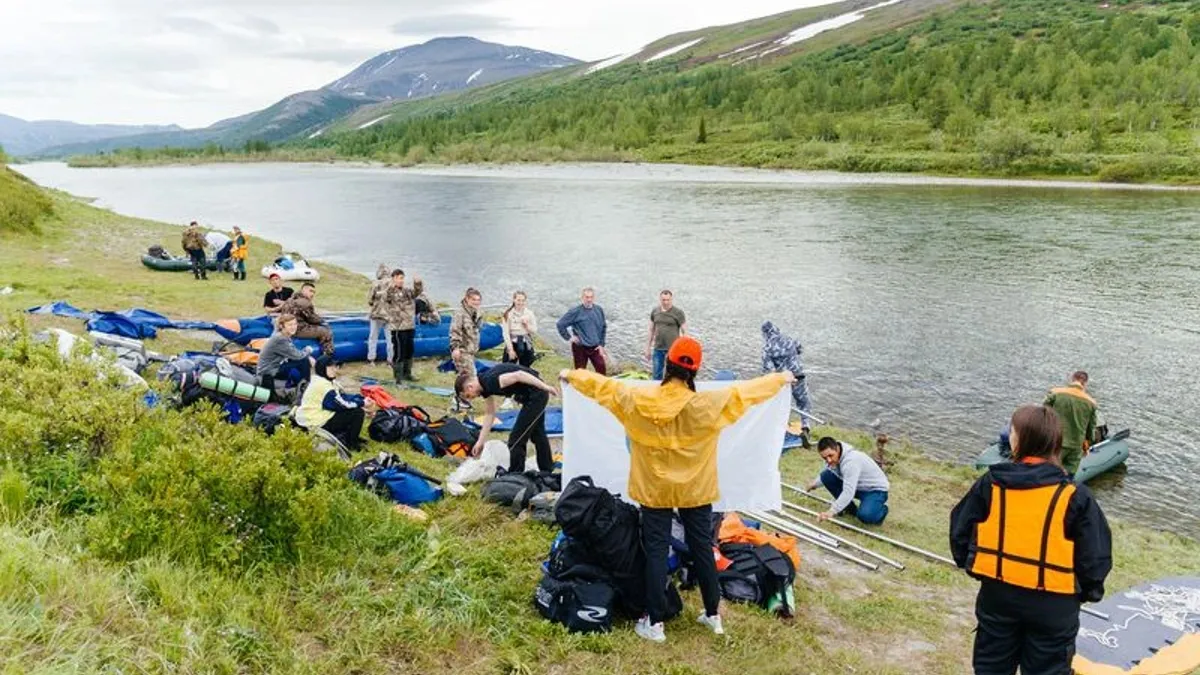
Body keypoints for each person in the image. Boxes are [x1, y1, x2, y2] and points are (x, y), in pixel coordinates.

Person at [562, 337, 792, 643]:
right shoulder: (707, 404)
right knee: (702, 549)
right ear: (695, 370)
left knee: (656, 551)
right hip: (696, 490)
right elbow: (745, 392)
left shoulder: (638, 399)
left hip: (655, 490)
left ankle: (655, 623)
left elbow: (605, 388)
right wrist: (780, 378)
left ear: (667, 363)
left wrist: (573, 375)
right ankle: (713, 615)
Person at [950, 405, 1112, 675]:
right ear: (1055, 444)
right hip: (1054, 606)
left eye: (1012, 431)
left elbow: (960, 533)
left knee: (991, 668)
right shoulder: (1075, 496)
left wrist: (973, 565)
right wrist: (1086, 593)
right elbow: (1095, 559)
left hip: (998, 596)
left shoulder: (990, 485)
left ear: (1019, 439)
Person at [456, 363, 558, 472]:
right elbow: (490, 414)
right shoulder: (484, 385)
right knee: (538, 434)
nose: (471, 399)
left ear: (469, 387)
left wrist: (545, 387)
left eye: (468, 395)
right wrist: (480, 442)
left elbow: (519, 375)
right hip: (532, 396)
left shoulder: (490, 381)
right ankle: (547, 470)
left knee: (516, 440)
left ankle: (515, 474)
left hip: (536, 395)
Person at [295, 356, 377, 451]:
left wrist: (360, 399)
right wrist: (362, 403)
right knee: (357, 413)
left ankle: (351, 437)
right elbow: (342, 405)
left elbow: (342, 396)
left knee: (352, 409)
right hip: (313, 422)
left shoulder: (322, 380)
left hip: (314, 416)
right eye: (331, 367)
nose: (335, 369)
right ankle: (351, 444)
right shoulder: (323, 386)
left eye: (336, 366)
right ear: (322, 368)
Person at [807, 437, 890, 525]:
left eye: (830, 456)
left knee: (865, 516)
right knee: (826, 475)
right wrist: (814, 484)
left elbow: (848, 492)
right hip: (857, 486)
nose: (829, 460)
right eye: (825, 458)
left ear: (837, 449)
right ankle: (850, 509)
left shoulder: (851, 462)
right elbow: (827, 472)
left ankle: (881, 509)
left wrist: (831, 511)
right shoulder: (833, 458)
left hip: (875, 490)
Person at [762, 321, 813, 447]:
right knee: (804, 402)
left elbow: (768, 370)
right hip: (798, 376)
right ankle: (805, 427)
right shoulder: (789, 339)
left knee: (783, 406)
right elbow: (799, 349)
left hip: (784, 381)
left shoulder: (767, 347)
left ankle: (782, 431)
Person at [1044, 371, 1098, 476]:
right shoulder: (1091, 402)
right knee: (1069, 475)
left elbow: (1043, 412)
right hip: (1076, 446)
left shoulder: (1056, 393)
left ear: (1072, 379)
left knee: (1050, 472)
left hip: (1056, 441)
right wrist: (1088, 443)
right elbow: (1091, 428)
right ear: (1085, 383)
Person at [556, 287, 608, 374]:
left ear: (594, 298)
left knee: (601, 368)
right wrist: (569, 337)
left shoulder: (599, 310)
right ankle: (579, 387)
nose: (589, 299)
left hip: (595, 347)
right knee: (580, 373)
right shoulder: (575, 311)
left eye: (591, 297)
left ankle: (601, 387)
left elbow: (603, 327)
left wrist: (601, 345)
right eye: (586, 297)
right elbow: (560, 324)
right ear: (582, 298)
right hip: (580, 347)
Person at [385, 268, 424, 383]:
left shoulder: (407, 291)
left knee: (409, 351)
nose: (402, 281)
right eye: (399, 278)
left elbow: (417, 293)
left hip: (409, 326)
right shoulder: (390, 291)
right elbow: (387, 296)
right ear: (394, 279)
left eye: (403, 278)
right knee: (399, 353)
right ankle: (398, 378)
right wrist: (392, 284)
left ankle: (408, 374)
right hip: (398, 327)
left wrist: (417, 283)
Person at [256, 313, 315, 387]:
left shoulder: (282, 334)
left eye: (295, 324)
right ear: (282, 326)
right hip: (268, 372)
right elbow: (298, 356)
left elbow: (293, 353)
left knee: (302, 360)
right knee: (303, 360)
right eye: (290, 325)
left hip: (274, 367)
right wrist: (308, 350)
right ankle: (306, 386)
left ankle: (302, 383)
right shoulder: (280, 339)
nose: (293, 327)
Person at [281, 282, 334, 355]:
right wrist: (322, 321)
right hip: (297, 330)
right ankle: (328, 356)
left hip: (287, 328)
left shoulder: (289, 300)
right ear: (303, 290)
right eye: (310, 291)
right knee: (325, 332)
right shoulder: (305, 302)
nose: (312, 294)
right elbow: (312, 319)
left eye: (314, 292)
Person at [646, 290, 686, 380]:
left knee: (673, 375)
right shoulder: (655, 311)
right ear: (660, 299)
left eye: (668, 300)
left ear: (671, 299)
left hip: (673, 349)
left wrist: (685, 349)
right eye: (663, 300)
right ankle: (657, 393)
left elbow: (684, 331)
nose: (666, 302)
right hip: (658, 348)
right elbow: (651, 330)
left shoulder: (678, 313)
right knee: (656, 374)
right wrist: (647, 348)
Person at [450, 287, 483, 376]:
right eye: (473, 299)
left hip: (472, 350)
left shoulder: (477, 312)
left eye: (478, 300)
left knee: (464, 380)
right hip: (462, 351)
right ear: (467, 299)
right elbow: (455, 330)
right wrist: (455, 348)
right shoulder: (460, 313)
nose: (476, 302)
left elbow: (477, 329)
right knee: (470, 377)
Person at [502, 291, 538, 368]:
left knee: (525, 367)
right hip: (513, 342)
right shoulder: (508, 314)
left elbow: (534, 330)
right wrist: (510, 350)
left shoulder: (529, 313)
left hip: (526, 343)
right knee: (506, 367)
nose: (520, 303)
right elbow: (506, 333)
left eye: (523, 300)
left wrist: (527, 325)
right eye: (518, 300)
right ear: (514, 300)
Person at [366, 264, 392, 366]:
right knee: (390, 339)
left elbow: (370, 300)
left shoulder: (375, 284)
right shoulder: (392, 284)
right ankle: (390, 361)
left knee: (373, 338)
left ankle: (371, 359)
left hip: (376, 315)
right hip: (389, 316)